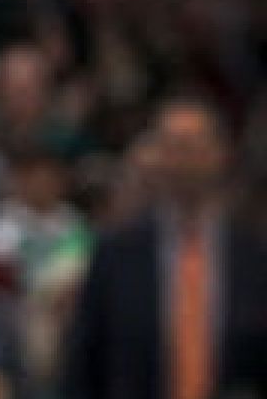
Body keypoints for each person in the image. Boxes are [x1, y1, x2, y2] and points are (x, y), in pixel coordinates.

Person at [62, 96, 267, 399]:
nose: (181, 161)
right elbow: (83, 366)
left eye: (191, 147)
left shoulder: (254, 256)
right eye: (171, 147)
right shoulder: (116, 254)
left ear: (220, 154)